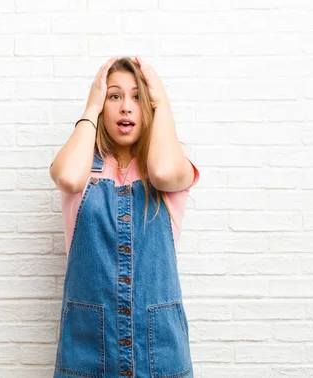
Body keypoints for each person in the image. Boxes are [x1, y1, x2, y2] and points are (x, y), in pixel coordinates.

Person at [49, 56, 200, 378]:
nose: (126, 107)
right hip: (88, 344)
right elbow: (68, 180)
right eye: (114, 96)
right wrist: (90, 109)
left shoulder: (170, 163)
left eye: (137, 98)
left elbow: (161, 173)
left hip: (158, 346)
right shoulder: (81, 163)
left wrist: (161, 101)